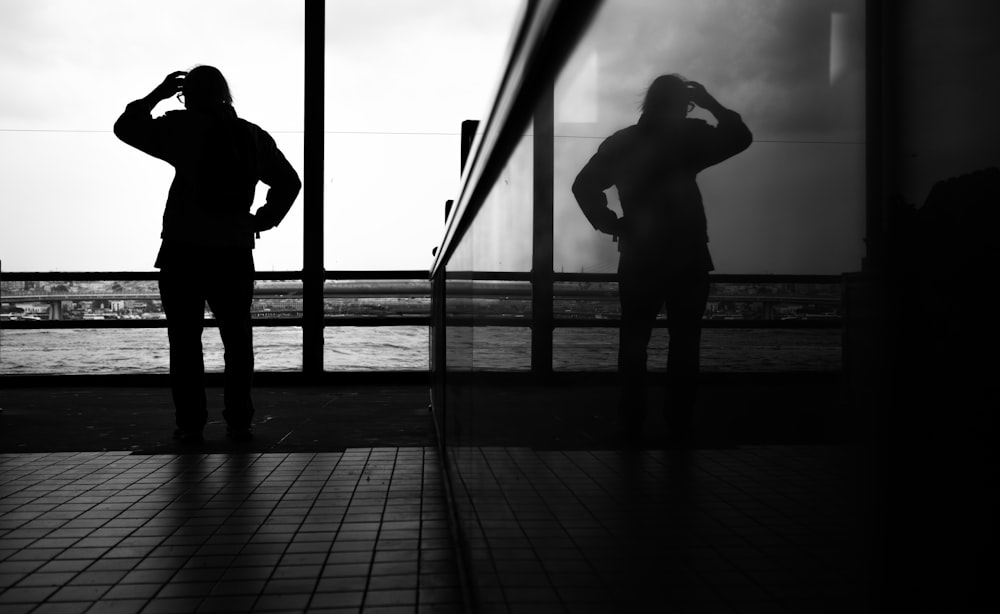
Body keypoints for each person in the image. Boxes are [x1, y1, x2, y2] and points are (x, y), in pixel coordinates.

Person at [114, 66, 301, 443]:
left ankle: (190, 424)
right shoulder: (252, 136)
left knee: (184, 342)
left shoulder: (181, 129)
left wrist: (158, 94)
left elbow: (126, 127)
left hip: (183, 250)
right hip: (233, 250)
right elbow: (289, 181)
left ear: (188, 94)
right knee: (237, 338)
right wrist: (261, 221)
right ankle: (239, 420)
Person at [572, 74, 751, 444]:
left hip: (639, 255)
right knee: (685, 344)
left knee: (634, 343)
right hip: (688, 255)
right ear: (682, 105)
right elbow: (740, 137)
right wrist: (710, 102)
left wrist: (613, 225)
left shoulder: (622, 143)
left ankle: (632, 421)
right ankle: (679, 424)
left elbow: (583, 185)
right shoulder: (689, 138)